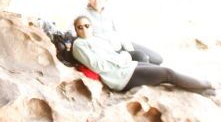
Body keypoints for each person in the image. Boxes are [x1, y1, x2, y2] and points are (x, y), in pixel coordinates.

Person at [72, 16, 213, 93]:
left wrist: (123, 57)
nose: (84, 29)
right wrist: (124, 57)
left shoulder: (96, 39)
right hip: (120, 78)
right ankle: (208, 84)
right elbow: (98, 65)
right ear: (76, 30)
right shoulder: (79, 45)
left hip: (126, 67)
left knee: (160, 71)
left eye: (87, 25)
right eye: (80, 27)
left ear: (92, 26)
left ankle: (202, 90)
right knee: (167, 74)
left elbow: (112, 55)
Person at [82, 0, 163, 65]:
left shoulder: (110, 11)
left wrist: (129, 49)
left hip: (123, 43)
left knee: (158, 60)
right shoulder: (83, 15)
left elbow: (121, 32)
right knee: (143, 60)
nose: (96, 0)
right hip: (110, 51)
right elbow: (73, 32)